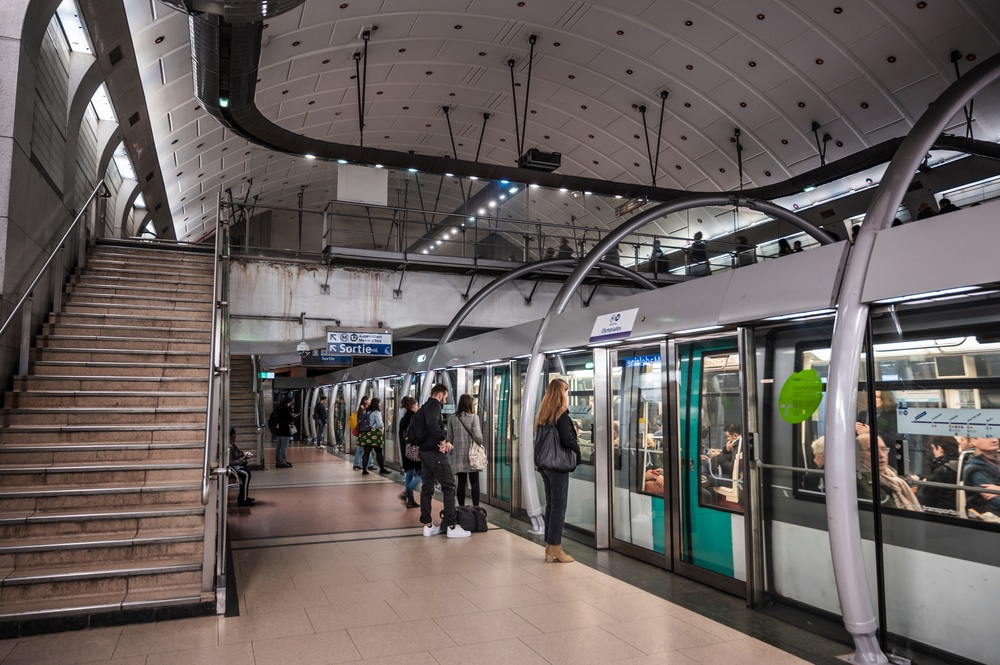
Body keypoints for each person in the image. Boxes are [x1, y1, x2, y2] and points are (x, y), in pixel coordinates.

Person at [414, 383, 471, 538]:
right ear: (440, 395)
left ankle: (427, 525)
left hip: (425, 453)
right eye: (445, 397)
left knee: (427, 488)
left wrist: (442, 440)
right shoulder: (434, 406)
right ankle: (452, 526)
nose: (445, 401)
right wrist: (443, 439)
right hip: (435, 455)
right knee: (449, 486)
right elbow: (432, 424)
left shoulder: (424, 406)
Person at [535, 378, 581, 563]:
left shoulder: (544, 414)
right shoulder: (561, 415)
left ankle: (549, 547)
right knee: (559, 507)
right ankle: (555, 548)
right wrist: (577, 447)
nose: (567, 394)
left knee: (552, 505)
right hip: (558, 466)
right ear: (561, 393)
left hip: (545, 465)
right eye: (566, 391)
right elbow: (567, 440)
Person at [856, 433, 921, 511]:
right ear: (858, 454)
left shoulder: (892, 473)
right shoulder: (861, 482)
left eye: (884, 449)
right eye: (872, 450)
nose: (881, 455)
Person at [447, 394, 485, 507]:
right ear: (470, 404)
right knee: (474, 482)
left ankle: (462, 507)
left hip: (458, 455)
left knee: (461, 482)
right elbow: (478, 436)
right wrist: (479, 442)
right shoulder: (474, 417)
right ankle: (476, 507)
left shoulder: (452, 418)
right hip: (472, 454)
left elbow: (449, 437)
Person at [917, 435, 961, 512]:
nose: (933, 452)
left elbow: (925, 499)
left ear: (940, 449)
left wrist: (923, 486)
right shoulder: (960, 464)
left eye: (933, 448)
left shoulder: (942, 470)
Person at [961, 436, 1000, 520]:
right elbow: (995, 502)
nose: (994, 440)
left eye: (995, 436)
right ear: (973, 441)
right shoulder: (974, 469)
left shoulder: (995, 463)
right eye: (987, 437)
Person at [397, 396, 421, 508]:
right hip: (415, 449)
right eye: (416, 404)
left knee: (409, 473)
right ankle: (408, 490)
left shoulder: (403, 419)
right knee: (422, 473)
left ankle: (410, 500)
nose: (417, 406)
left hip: (405, 449)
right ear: (412, 406)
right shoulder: (415, 418)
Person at [359, 398, 391, 476]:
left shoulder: (367, 411)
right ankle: (382, 469)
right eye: (379, 403)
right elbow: (380, 424)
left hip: (366, 433)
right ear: (377, 404)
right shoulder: (377, 412)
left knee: (366, 453)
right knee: (379, 453)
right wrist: (382, 428)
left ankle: (364, 470)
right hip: (375, 433)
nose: (380, 404)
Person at [228, 427, 254, 506]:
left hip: (235, 466)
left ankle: (244, 496)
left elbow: (237, 453)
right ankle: (243, 499)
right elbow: (230, 462)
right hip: (231, 468)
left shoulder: (232, 443)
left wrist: (243, 454)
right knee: (245, 474)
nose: (235, 436)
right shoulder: (229, 446)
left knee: (247, 471)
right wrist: (243, 459)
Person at [352, 396, 377, 471]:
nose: (370, 401)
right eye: (369, 400)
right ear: (365, 401)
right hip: (363, 432)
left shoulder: (366, 409)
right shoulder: (363, 409)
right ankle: (366, 464)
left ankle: (365, 464)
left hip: (364, 431)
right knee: (362, 449)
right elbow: (362, 420)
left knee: (365, 448)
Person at [273, 396, 294, 468]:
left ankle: (278, 461)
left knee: (278, 446)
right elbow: (290, 419)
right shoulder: (285, 409)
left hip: (278, 430)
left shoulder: (278, 408)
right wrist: (292, 416)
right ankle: (283, 462)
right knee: (284, 446)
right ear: (289, 402)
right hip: (284, 429)